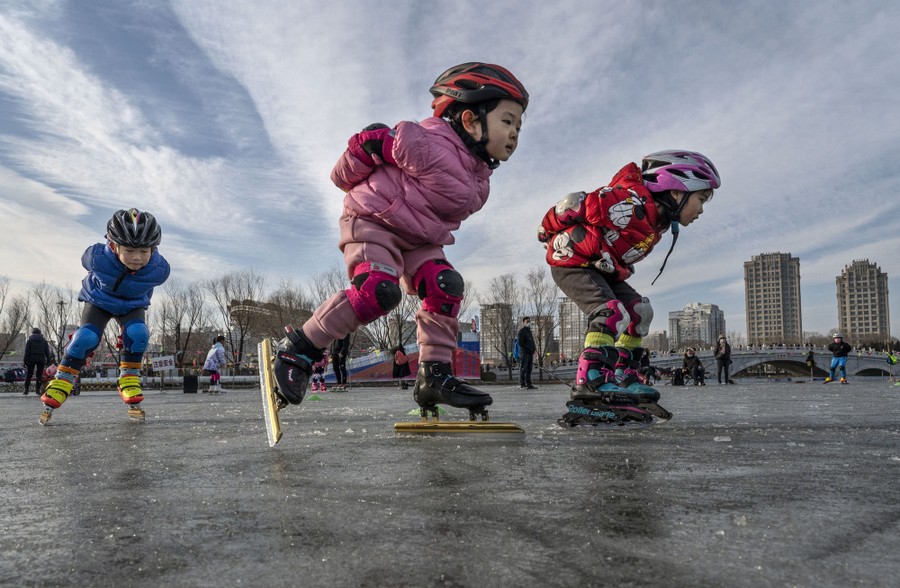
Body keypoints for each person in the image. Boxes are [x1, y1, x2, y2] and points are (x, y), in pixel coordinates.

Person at [270, 62, 528, 419]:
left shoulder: (481, 181)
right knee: (378, 291)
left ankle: (433, 375)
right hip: (375, 220)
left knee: (445, 285)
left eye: (518, 125)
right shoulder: (427, 142)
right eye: (507, 121)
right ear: (470, 120)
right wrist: (348, 176)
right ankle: (299, 348)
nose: (515, 133)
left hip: (418, 238)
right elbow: (370, 144)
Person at [538, 150, 720, 419]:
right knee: (610, 311)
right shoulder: (628, 201)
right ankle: (591, 379)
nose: (702, 210)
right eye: (701, 199)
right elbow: (575, 203)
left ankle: (625, 376)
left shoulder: (657, 222)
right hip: (571, 262)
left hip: (600, 269)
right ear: (678, 192)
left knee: (639, 312)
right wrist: (546, 229)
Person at [39, 208, 170, 424]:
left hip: (132, 305)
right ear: (113, 245)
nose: (136, 258)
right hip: (99, 301)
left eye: (144, 251)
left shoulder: (160, 270)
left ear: (154, 249)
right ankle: (63, 378)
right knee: (86, 338)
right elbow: (85, 262)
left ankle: (129, 377)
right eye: (129, 250)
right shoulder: (97, 257)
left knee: (139, 333)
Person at [23, 328, 52, 396]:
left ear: (33, 333)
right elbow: (47, 352)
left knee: (29, 375)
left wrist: (25, 361)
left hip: (31, 359)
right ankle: (37, 390)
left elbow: (27, 352)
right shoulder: (44, 341)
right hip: (41, 359)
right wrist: (48, 360)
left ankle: (26, 390)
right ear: (40, 333)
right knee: (39, 375)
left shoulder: (29, 340)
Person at [516, 317, 537, 389]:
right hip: (525, 353)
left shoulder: (529, 331)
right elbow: (520, 342)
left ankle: (529, 383)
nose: (529, 323)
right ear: (523, 322)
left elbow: (532, 342)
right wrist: (527, 349)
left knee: (529, 369)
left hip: (530, 353)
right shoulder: (522, 331)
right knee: (524, 368)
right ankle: (522, 383)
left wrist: (533, 349)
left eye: (529, 321)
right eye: (527, 321)